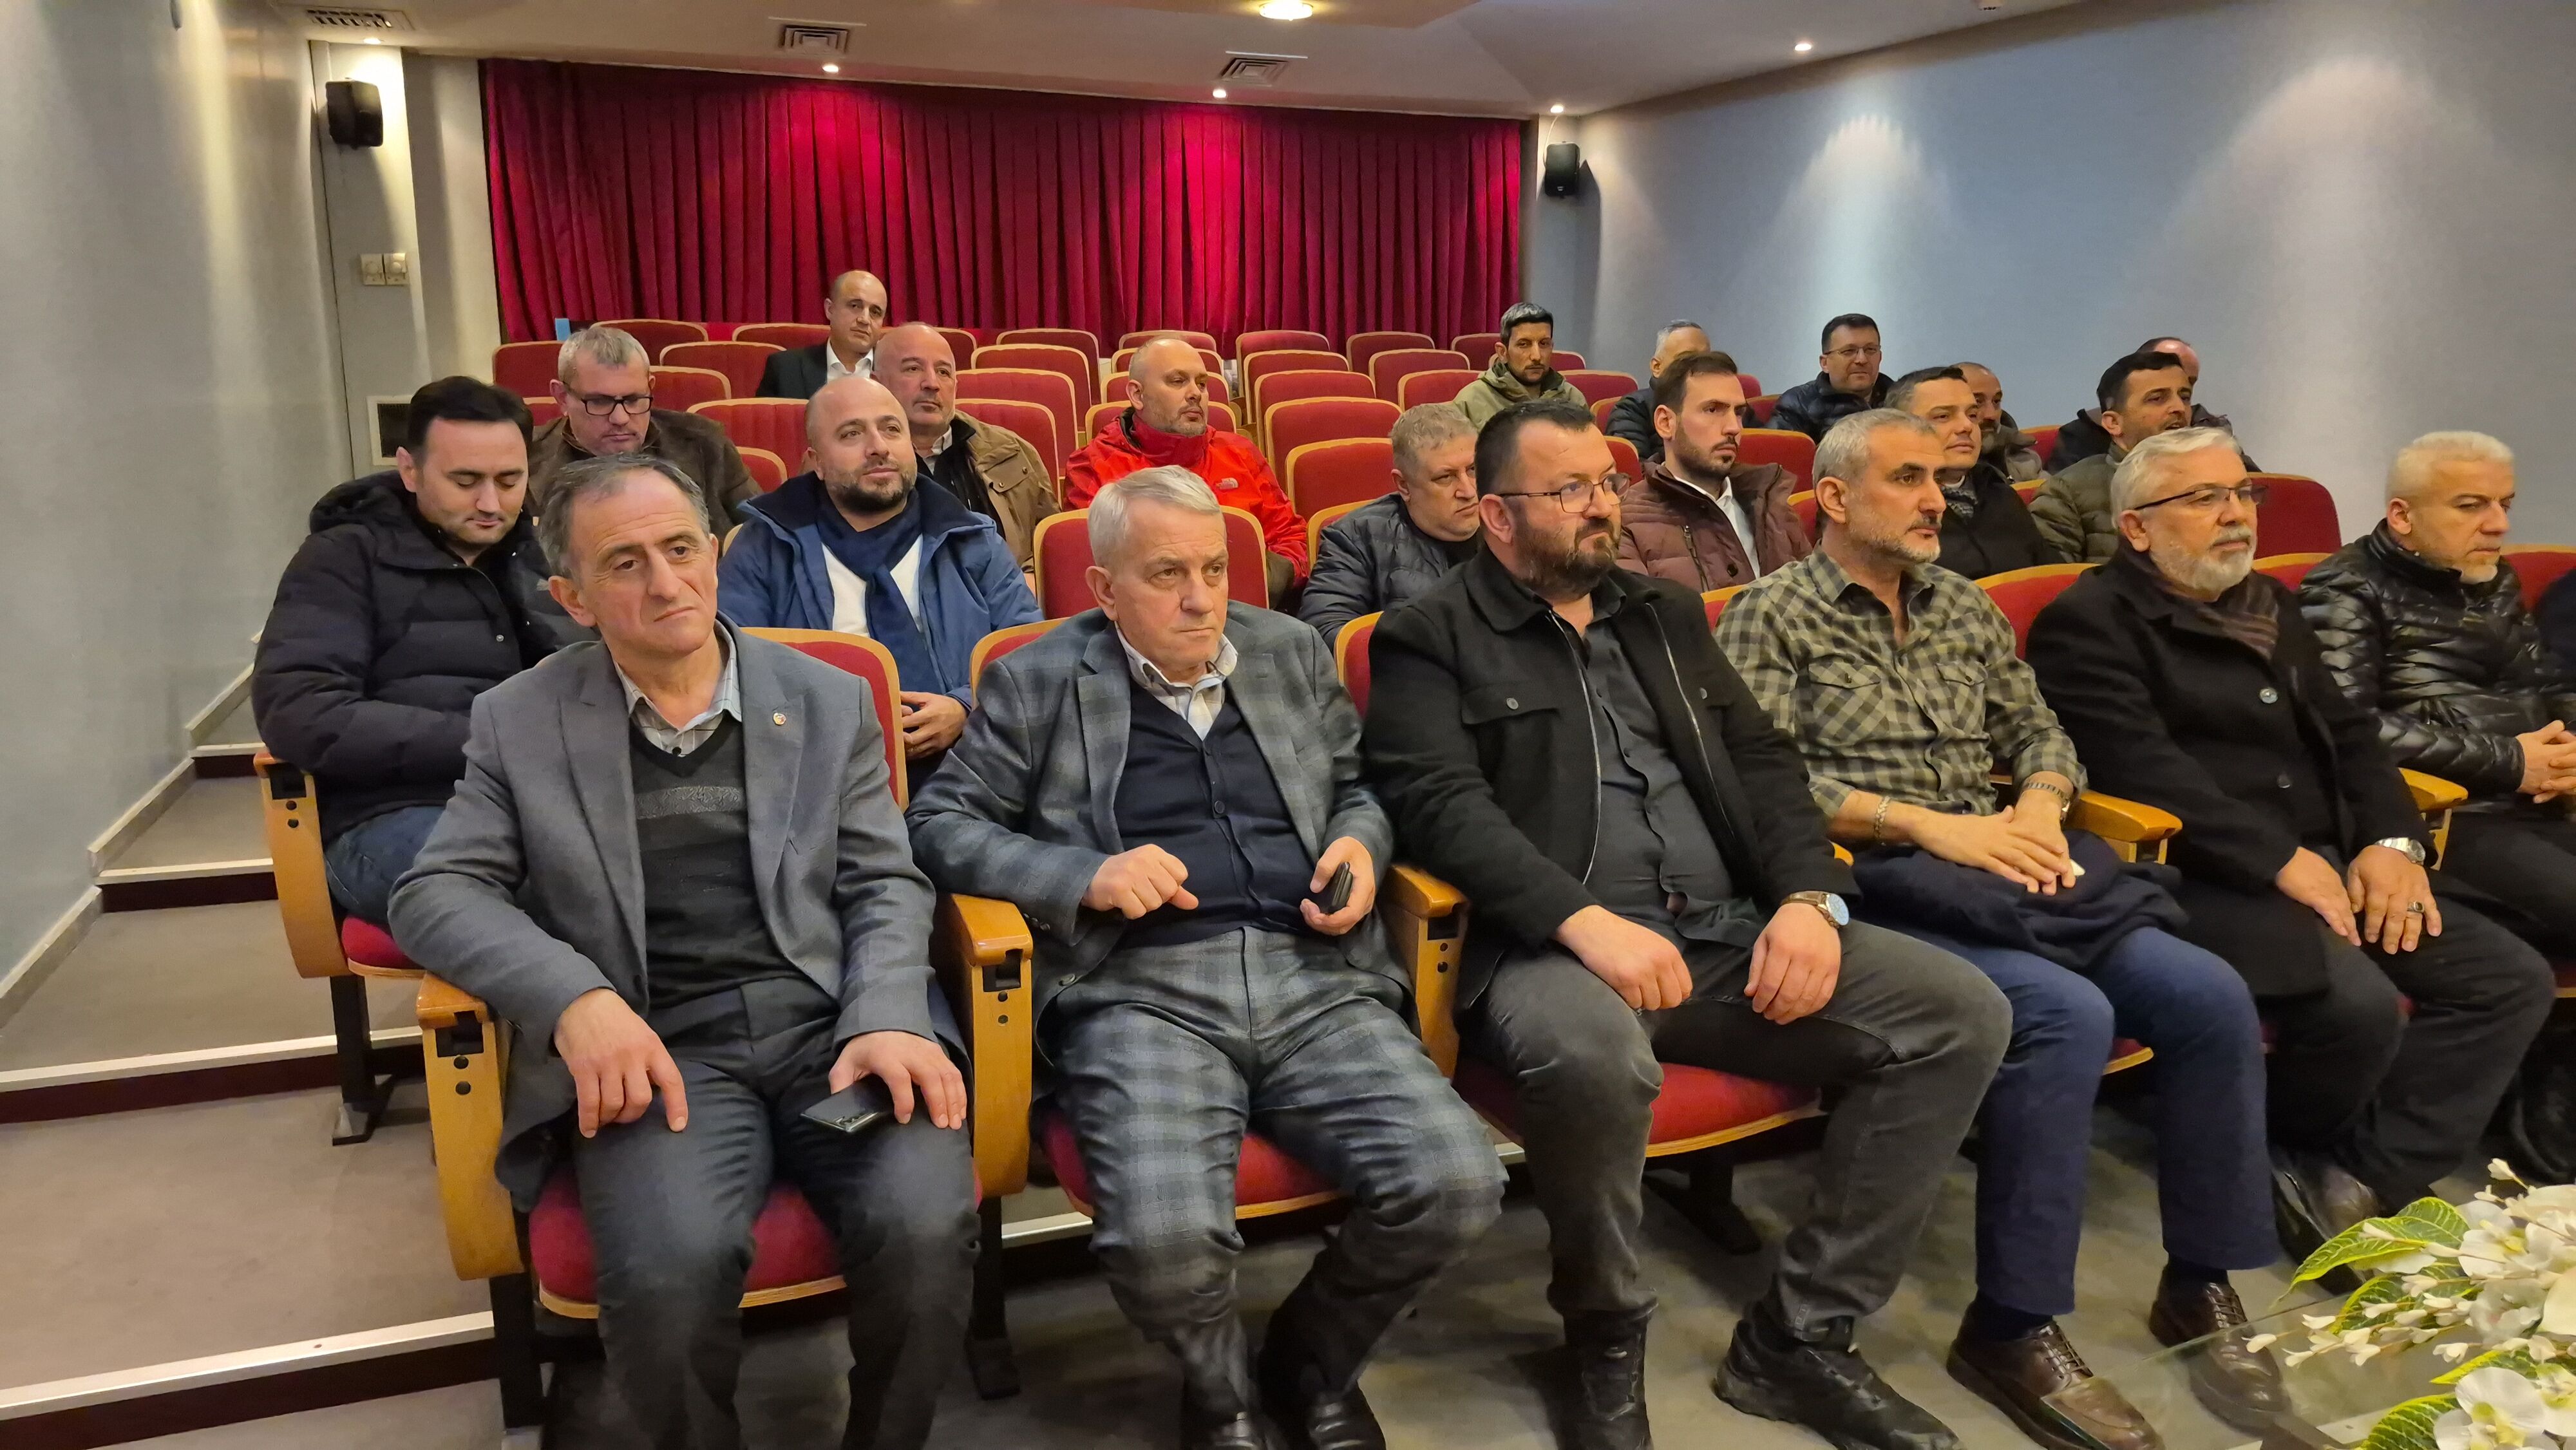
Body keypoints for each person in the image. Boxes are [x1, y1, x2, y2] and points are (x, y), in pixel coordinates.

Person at [1365, 398, 2011, 1450]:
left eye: (1604, 484)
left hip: (1720, 930)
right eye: (1568, 491)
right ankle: (1603, 1330)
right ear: (1497, 514)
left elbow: (1763, 763)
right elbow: (1439, 807)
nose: (1600, 507)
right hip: (1550, 949)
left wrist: (1809, 900)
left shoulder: (1662, 615)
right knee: (1594, 1057)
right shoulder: (1428, 635)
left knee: (1960, 1013)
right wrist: (1581, 919)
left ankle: (1801, 1339)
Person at [906, 467, 1503, 1450]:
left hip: (1314, 976)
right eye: (1167, 575)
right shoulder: (1038, 677)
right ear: (1104, 590)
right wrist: (1085, 875)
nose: (1201, 599)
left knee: (1456, 1183)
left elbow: (1358, 786)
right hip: (1139, 991)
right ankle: (1220, 1393)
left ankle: (1308, 1364)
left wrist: (1360, 845)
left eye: (1216, 570)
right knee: (1164, 1243)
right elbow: (938, 825)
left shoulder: (1288, 651)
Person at [388, 454, 975, 1450]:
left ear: (715, 554)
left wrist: (885, 1011)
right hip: (657, 1043)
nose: (666, 584)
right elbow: (434, 890)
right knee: (668, 1272)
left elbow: (883, 879)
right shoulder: (521, 719)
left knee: (925, 1227)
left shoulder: (826, 697)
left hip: (828, 1023)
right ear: (573, 597)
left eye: (680, 550)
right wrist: (577, 1002)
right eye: (626, 564)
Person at [1718, 408, 2279, 1449]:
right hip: (1880, 881)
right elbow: (1762, 780)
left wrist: (2040, 802)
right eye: (1907, 479)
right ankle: (2014, 1325)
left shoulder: (1962, 606)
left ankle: (2201, 1280)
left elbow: (2039, 727)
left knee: (2208, 995)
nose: (1937, 499)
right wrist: (1926, 825)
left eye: (1941, 479)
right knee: (2063, 1014)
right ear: (1833, 497)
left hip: (2009, 865)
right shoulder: (1771, 615)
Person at [2026, 428, 2555, 1266]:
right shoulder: (2089, 622)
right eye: (2204, 498)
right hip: (2205, 872)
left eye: (2242, 493)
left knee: (2507, 979)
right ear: (2136, 527)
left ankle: (2363, 1174)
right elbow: (2147, 772)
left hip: (2334, 854)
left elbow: (2352, 738)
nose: (2235, 514)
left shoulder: (2267, 601)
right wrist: (2281, 860)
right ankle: (2280, 1147)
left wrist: (2391, 843)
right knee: (2355, 1009)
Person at [253, 377, 580, 924]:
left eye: (509, 480)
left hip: (548, 801)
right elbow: (301, 711)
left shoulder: (546, 555)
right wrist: (492, 739)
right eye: (465, 481)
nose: (490, 503)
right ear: (409, 470)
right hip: (393, 813)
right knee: (548, 898)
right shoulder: (341, 559)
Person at [2300, 431, 2576, 955]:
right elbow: (2348, 727)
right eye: (2471, 506)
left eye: (2505, 504)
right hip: (2446, 817)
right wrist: (2512, 762)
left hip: (2537, 802)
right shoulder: (2345, 589)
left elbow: (2547, 681)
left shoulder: (2492, 576)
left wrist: (2570, 750)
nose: (2499, 524)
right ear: (2402, 516)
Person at [716, 376, 1040, 767]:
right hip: (820, 766)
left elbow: (1027, 654)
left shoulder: (971, 538)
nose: (878, 447)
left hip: (971, 760)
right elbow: (734, 670)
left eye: (891, 429)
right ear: (817, 462)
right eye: (852, 434)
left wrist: (966, 707)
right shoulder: (766, 546)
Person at [1067, 337, 1307, 601]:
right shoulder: (1093, 465)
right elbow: (1091, 565)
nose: (1196, 393)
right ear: (1137, 395)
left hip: (1249, 610)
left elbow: (1289, 538)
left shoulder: (1240, 453)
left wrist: (1260, 584)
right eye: (1178, 381)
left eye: (1202, 384)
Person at [1614, 350, 1810, 591]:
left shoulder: (1771, 502)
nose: (1734, 427)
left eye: (1739, 412)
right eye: (1713, 410)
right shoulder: (1624, 520)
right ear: (1666, 423)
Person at [868, 322, 1054, 572]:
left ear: (956, 387)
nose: (932, 383)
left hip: (1005, 593)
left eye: (943, 372)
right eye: (913, 368)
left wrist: (1029, 580)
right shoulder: (856, 461)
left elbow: (1048, 546)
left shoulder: (1013, 452)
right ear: (877, 384)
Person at [533, 325, 760, 527]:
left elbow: (765, 532)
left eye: (633, 400)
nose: (620, 418)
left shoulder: (706, 444)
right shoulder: (528, 461)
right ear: (562, 397)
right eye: (599, 402)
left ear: (650, 387)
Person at [1298, 402, 1482, 643]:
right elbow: (1326, 634)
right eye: (1445, 477)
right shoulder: (1356, 538)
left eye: (1473, 469)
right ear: (1404, 486)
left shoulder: (1512, 521)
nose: (1469, 491)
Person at [1886, 367, 2061, 578]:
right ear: (1899, 430)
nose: (1966, 426)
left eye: (1972, 415)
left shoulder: (1997, 489)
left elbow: (2051, 574)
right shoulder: (1887, 506)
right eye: (1943, 416)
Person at [2025, 352, 2195, 563]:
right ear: (2114, 423)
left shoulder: (2222, 476)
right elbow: (2058, 579)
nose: (2179, 408)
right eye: (2157, 399)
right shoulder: (2067, 492)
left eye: (2185, 397)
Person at [2039, 335, 2251, 472]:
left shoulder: (2211, 431)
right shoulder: (2080, 450)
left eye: (2186, 392)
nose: (2178, 407)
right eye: (2158, 397)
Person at [1452, 301, 1587, 429]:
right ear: (1503, 352)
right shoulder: (1470, 402)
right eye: (1524, 344)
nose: (1536, 356)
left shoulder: (1572, 399)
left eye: (1544, 344)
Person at [756, 268, 889, 398]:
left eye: (875, 312)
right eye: (855, 306)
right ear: (830, 310)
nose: (865, 320)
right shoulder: (785, 369)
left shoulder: (894, 371)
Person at [1770, 314, 1891, 442]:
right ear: (1825, 363)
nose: (1862, 360)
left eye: (1870, 350)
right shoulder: (1798, 404)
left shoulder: (1898, 398)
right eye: (1849, 351)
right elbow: (1777, 450)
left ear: (1880, 357)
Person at [1602, 319, 1710, 464]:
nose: (1700, 366)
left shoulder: (1725, 406)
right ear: (1657, 367)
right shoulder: (1632, 409)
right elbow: (1635, 469)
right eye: (1687, 359)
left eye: (1707, 359)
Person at [1955, 362, 2044, 482]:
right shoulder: (1937, 473)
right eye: (1977, 401)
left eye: (1996, 401)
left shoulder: (2026, 461)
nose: (1991, 415)